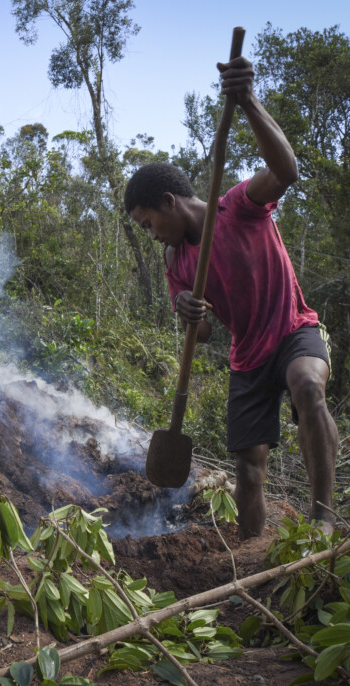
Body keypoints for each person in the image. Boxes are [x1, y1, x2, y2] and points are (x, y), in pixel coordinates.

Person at [124, 55, 338, 539]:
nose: (151, 234)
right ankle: (250, 558)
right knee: (247, 470)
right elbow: (200, 334)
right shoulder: (177, 264)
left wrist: (248, 101)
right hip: (247, 357)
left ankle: (324, 517)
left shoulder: (239, 207)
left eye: (148, 224)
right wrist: (188, 312)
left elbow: (286, 169)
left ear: (168, 202)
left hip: (293, 329)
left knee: (307, 386)